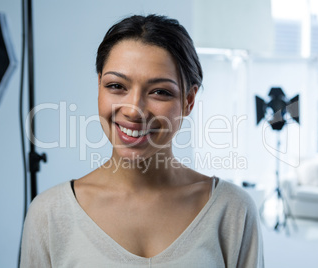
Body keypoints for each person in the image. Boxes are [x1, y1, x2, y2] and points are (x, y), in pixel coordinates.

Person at [20, 14, 264, 267]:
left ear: (189, 101)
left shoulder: (232, 210)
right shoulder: (50, 215)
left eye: (160, 92)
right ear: (99, 87)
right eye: (116, 86)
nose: (134, 110)